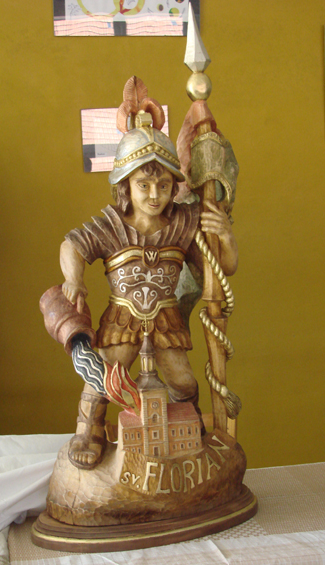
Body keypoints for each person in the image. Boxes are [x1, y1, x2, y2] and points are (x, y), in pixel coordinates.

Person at [58, 93, 238, 470]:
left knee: (183, 383)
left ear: (174, 186)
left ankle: (188, 428)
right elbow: (73, 245)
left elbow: (220, 270)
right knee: (104, 378)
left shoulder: (183, 223)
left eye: (164, 186)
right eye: (144, 185)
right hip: (122, 318)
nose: (155, 195)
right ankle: (88, 431)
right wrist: (74, 280)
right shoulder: (111, 225)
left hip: (166, 320)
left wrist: (225, 236)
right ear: (126, 185)